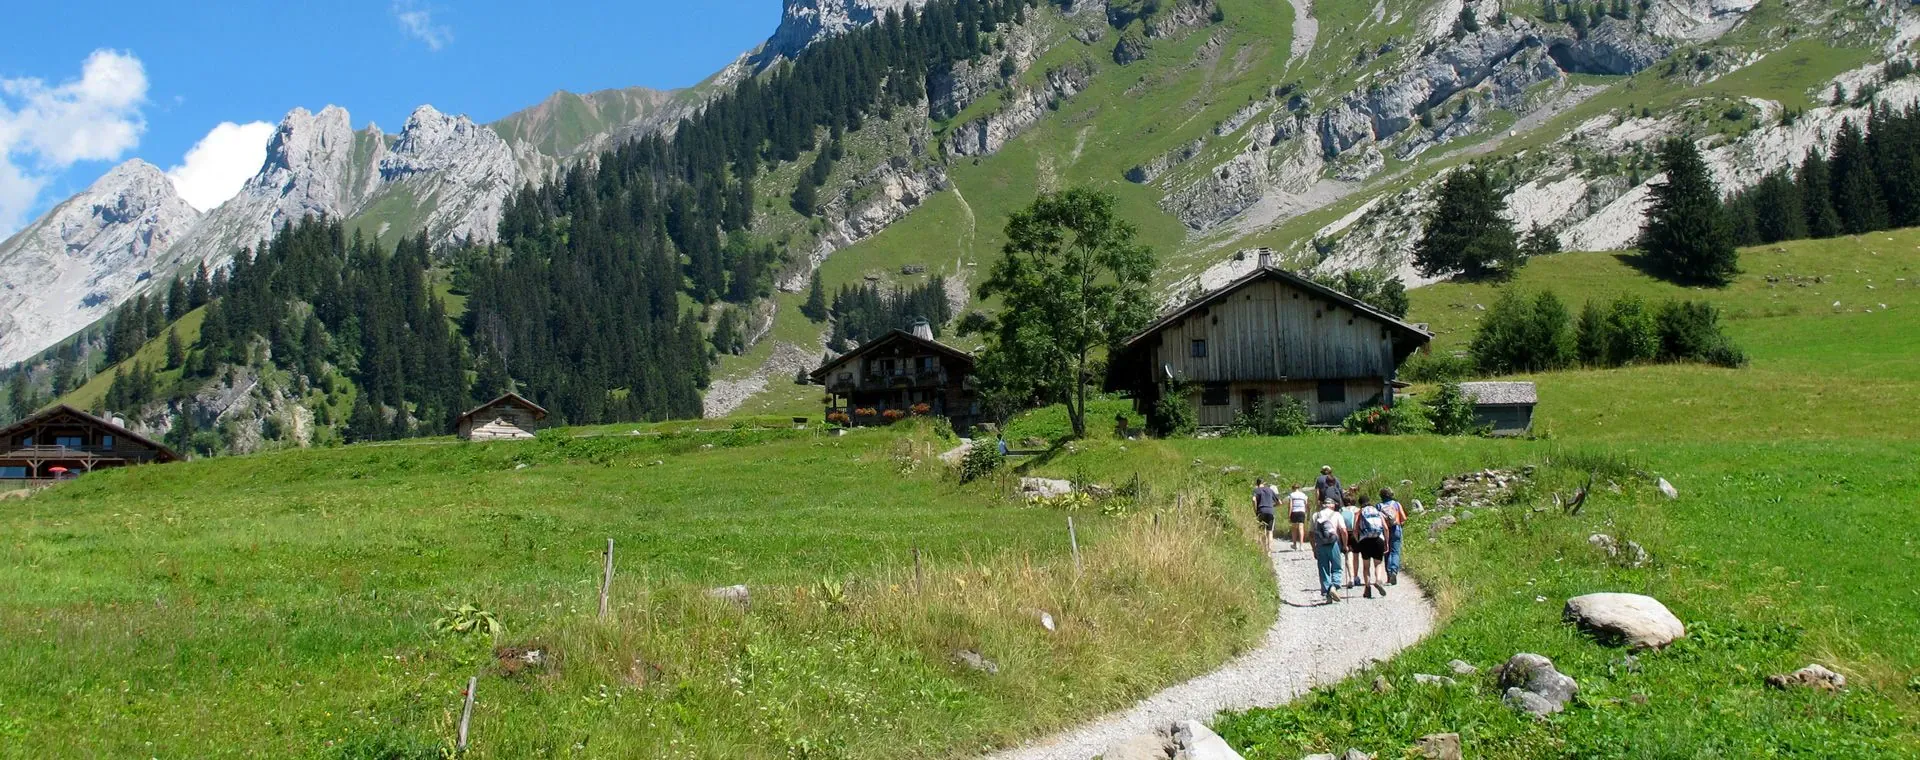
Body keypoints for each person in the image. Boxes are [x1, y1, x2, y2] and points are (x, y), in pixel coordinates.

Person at [1311, 498, 1348, 603]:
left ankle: (1328, 593)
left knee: (1323, 569)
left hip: (1320, 545)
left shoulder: (1315, 515)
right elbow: (1343, 531)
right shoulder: (1337, 515)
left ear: (1323, 505)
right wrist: (1345, 545)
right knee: (1336, 567)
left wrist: (1314, 548)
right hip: (1334, 544)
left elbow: (1311, 533)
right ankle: (1334, 587)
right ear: (1332, 505)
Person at [1354, 497, 1391, 598]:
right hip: (1378, 540)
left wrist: (1358, 541)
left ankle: (1367, 588)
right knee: (1378, 564)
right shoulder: (1378, 512)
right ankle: (1378, 580)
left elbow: (1355, 529)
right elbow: (1386, 528)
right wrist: (1386, 543)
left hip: (1365, 541)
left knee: (1366, 566)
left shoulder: (1359, 512)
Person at [1377, 488, 1407, 585]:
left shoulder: (1378, 506)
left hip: (1384, 531)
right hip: (1396, 529)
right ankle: (1394, 571)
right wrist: (1400, 524)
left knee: (1387, 552)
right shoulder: (1396, 504)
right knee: (1395, 552)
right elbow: (1404, 518)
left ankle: (1389, 575)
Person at [1340, 496, 1362, 589]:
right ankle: (1356, 576)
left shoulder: (1341, 510)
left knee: (1348, 556)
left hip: (1345, 534)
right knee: (1356, 556)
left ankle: (1351, 578)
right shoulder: (1357, 509)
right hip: (1355, 534)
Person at [1252, 478, 1279, 547]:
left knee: (1262, 531)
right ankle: (1269, 551)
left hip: (1261, 511)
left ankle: (1264, 549)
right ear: (1264, 483)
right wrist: (1272, 506)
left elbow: (1253, 499)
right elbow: (1280, 502)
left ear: (1257, 484)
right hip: (1270, 512)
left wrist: (1255, 510)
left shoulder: (1256, 490)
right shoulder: (1270, 490)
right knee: (1269, 532)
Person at [1286, 483, 1311, 550]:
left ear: (1293, 488)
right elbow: (1307, 505)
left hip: (1294, 512)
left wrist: (1289, 515)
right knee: (1301, 528)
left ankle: (1294, 544)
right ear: (1299, 488)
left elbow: (1290, 506)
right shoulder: (1304, 495)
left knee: (1294, 528)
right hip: (1301, 512)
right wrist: (1307, 513)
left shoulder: (1291, 495)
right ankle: (1301, 545)